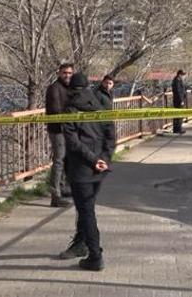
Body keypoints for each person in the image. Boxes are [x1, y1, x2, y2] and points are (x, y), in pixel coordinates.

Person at [58, 73, 116, 271]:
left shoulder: (70, 109)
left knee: (86, 212)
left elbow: (73, 142)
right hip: (100, 169)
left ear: (71, 89)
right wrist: (104, 159)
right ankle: (83, 245)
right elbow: (111, 135)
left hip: (81, 169)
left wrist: (93, 160)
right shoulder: (100, 104)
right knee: (87, 209)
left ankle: (95, 255)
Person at [45, 62, 75, 208]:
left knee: (67, 160)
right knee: (59, 161)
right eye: (64, 73)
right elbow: (55, 109)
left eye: (69, 73)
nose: (67, 75)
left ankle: (62, 188)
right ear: (59, 73)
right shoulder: (54, 88)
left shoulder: (70, 88)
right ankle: (55, 196)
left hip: (68, 129)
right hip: (57, 130)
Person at [172, 70, 187, 134]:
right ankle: (178, 129)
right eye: (183, 75)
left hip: (177, 100)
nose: (183, 76)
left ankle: (176, 129)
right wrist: (181, 100)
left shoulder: (177, 80)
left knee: (177, 114)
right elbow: (178, 91)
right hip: (178, 101)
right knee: (179, 115)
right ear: (179, 75)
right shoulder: (177, 81)